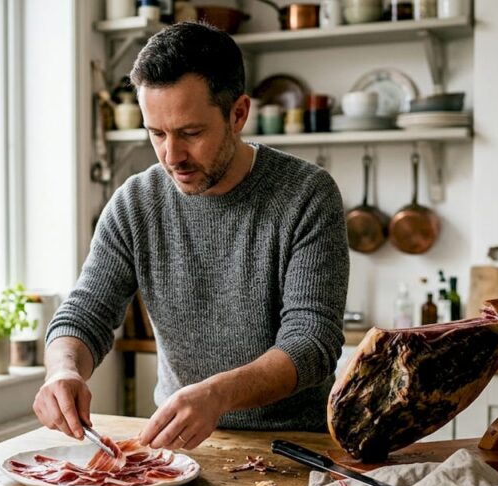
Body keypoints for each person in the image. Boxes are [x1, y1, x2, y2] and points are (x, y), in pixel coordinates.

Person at [33, 22, 348, 451]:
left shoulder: (306, 194)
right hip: (179, 448)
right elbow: (85, 315)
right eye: (156, 133)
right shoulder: (135, 202)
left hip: (295, 447)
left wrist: (218, 394)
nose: (171, 156)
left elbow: (312, 341)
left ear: (238, 114)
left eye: (190, 133)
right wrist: (63, 370)